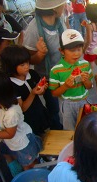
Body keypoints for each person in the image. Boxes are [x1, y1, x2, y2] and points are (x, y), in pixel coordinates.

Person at [23, 0, 67, 130]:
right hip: (48, 77)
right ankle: (56, 130)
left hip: (63, 72)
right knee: (54, 108)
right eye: (62, 3)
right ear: (53, 8)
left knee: (66, 103)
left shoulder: (59, 21)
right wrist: (40, 54)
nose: (65, 6)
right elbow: (27, 59)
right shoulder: (34, 28)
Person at [0, 69, 42, 171]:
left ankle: (34, 176)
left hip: (22, 144)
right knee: (11, 157)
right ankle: (17, 175)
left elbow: (9, 134)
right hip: (11, 143)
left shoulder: (11, 112)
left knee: (29, 166)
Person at [1, 45, 51, 137]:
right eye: (22, 65)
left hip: (39, 112)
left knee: (45, 135)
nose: (27, 67)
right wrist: (33, 93)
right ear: (11, 66)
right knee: (35, 137)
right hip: (28, 119)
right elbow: (23, 108)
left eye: (28, 62)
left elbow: (41, 92)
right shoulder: (10, 85)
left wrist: (42, 89)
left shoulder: (32, 73)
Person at [49, 29, 93, 130]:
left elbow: (90, 86)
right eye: (72, 50)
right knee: (69, 131)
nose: (76, 54)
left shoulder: (85, 64)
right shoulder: (56, 70)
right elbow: (54, 93)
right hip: (67, 104)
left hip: (84, 101)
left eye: (79, 49)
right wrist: (65, 86)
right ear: (62, 51)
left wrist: (86, 81)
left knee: (86, 128)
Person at [83, 3, 97, 70]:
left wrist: (84, 49)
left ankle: (90, 79)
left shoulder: (89, 26)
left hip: (90, 50)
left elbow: (89, 40)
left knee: (90, 66)